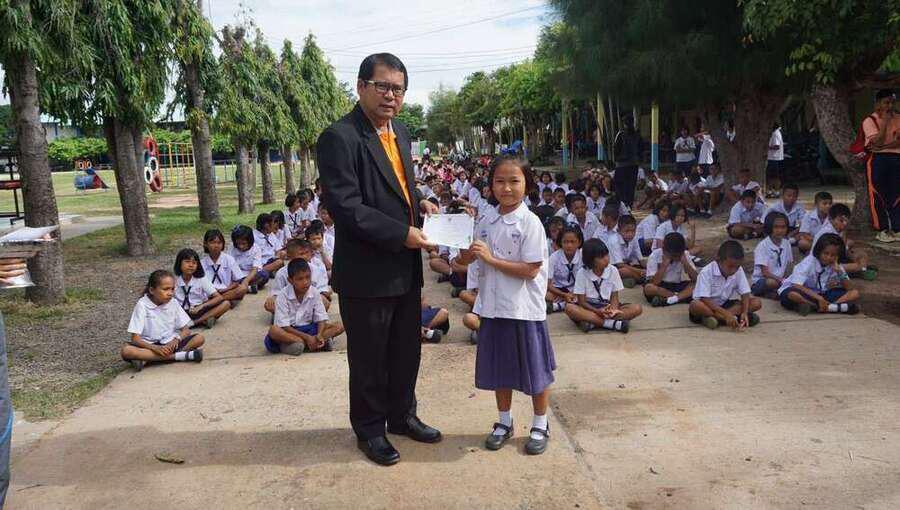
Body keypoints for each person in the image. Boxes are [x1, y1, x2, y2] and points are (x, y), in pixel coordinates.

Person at [317, 53, 441, 466]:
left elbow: (399, 186)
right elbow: (346, 206)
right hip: (367, 271)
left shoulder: (399, 131)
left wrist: (422, 204)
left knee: (406, 351)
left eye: (398, 89)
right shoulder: (340, 137)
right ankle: (370, 430)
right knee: (369, 359)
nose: (391, 96)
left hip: (405, 267)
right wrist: (402, 233)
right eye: (383, 86)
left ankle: (402, 416)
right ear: (361, 87)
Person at [456, 155, 555, 456]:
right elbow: (466, 260)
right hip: (493, 307)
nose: (507, 188)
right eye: (500, 181)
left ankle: (540, 424)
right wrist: (465, 253)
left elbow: (531, 269)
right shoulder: (486, 220)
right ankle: (504, 421)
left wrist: (490, 259)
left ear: (527, 184)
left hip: (524, 309)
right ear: (490, 185)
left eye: (514, 181)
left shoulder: (530, 222)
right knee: (500, 368)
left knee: (535, 370)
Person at [122, 270, 205, 371]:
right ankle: (181, 356)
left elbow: (186, 330)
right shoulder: (142, 305)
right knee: (126, 351)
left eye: (172, 289)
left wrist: (175, 340)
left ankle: (147, 359)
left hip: (170, 343)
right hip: (149, 346)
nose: (170, 293)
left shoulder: (173, 303)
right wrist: (155, 348)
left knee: (199, 338)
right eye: (165, 289)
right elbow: (135, 339)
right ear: (152, 290)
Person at [265, 259, 345, 355]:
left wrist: (319, 334)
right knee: (274, 330)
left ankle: (300, 345)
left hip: (309, 329)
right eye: (300, 279)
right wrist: (307, 338)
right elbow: (284, 326)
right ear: (290, 280)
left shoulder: (314, 292)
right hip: (290, 331)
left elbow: (321, 317)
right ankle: (311, 344)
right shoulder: (283, 295)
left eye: (308, 277)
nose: (305, 282)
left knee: (340, 326)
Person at [564, 238, 643, 333]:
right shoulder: (582, 273)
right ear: (591, 260)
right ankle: (611, 324)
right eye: (601, 257)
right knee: (570, 308)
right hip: (589, 308)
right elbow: (582, 302)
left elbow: (614, 297)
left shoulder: (613, 270)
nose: (606, 259)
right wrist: (597, 311)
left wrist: (613, 310)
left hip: (607, 306)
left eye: (607, 255)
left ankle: (592, 322)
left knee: (637, 308)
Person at [778, 233, 861, 316]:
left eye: (833, 255)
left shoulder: (836, 265)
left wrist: (839, 272)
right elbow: (797, 285)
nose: (828, 257)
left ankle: (826, 307)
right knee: (792, 294)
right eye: (826, 253)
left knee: (854, 293)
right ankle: (831, 307)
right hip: (804, 292)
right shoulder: (809, 262)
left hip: (821, 294)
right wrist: (819, 298)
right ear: (819, 251)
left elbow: (849, 288)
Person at [688, 240, 762, 330]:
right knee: (695, 305)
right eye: (730, 266)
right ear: (718, 260)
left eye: (737, 267)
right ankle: (727, 318)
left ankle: (716, 319)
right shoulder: (706, 272)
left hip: (724, 305)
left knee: (756, 303)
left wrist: (745, 312)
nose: (733, 270)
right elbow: (704, 298)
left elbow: (745, 293)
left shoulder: (739, 270)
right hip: (707, 305)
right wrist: (726, 314)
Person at [863, 89, 900, 242]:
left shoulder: (898, 118)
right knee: (878, 193)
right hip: (878, 159)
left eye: (892, 102)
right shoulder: (869, 121)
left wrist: (883, 146)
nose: (890, 106)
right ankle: (882, 229)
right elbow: (876, 142)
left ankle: (897, 228)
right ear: (878, 104)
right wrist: (884, 122)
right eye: (886, 103)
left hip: (897, 157)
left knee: (897, 193)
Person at [811, 203, 875, 279]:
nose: (845, 223)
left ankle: (861, 269)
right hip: (825, 263)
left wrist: (844, 232)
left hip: (835, 258)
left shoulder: (839, 230)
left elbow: (843, 249)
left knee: (862, 255)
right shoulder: (827, 233)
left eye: (846, 220)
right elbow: (829, 256)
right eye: (841, 220)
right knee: (858, 265)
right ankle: (861, 270)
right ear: (831, 219)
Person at [173, 248, 231, 328]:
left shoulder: (201, 279)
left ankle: (194, 323)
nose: (191, 265)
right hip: (182, 312)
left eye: (194, 263)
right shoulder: (174, 280)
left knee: (226, 304)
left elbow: (219, 297)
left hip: (199, 310)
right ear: (179, 263)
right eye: (187, 262)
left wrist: (201, 306)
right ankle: (205, 320)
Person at [644, 232, 698, 307]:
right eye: (673, 255)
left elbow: (696, 278)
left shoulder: (684, 254)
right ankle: (680, 297)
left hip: (677, 285)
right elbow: (654, 282)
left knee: (697, 285)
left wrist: (685, 263)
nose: (676, 258)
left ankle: (670, 299)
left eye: (678, 255)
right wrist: (664, 265)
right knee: (649, 288)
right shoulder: (654, 255)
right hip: (661, 286)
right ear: (664, 250)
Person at [750, 212, 794, 298]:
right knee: (771, 282)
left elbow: (789, 265)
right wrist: (781, 280)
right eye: (776, 227)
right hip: (762, 281)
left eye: (783, 227)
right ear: (770, 227)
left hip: (780, 280)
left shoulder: (786, 243)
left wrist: (788, 279)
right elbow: (765, 272)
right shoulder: (763, 245)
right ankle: (773, 292)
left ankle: (774, 293)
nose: (780, 231)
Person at [200, 229, 248, 303]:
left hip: (226, 291)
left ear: (223, 244)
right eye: (212, 242)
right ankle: (219, 301)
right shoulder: (201, 263)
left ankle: (215, 301)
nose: (216, 246)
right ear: (205, 244)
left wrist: (226, 289)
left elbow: (237, 281)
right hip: (209, 293)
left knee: (242, 289)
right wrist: (212, 291)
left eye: (219, 243)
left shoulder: (229, 259)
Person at [546, 225, 583, 314]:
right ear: (560, 242)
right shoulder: (554, 257)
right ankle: (569, 302)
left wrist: (576, 292)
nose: (569, 245)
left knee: (587, 296)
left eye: (572, 242)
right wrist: (564, 295)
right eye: (565, 242)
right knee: (547, 296)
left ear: (579, 242)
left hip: (578, 289)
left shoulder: (583, 256)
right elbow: (548, 284)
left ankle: (558, 306)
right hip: (559, 290)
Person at [613, 116, 642, 207]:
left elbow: (616, 149)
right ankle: (628, 206)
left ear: (624, 124)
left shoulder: (620, 134)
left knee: (620, 187)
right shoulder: (637, 135)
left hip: (621, 165)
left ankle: (621, 206)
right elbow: (641, 149)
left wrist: (616, 160)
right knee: (630, 187)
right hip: (634, 164)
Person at [229, 225, 265, 293]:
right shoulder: (232, 247)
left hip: (249, 275)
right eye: (238, 243)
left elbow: (255, 269)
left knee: (264, 275)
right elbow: (229, 266)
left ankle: (240, 287)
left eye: (244, 244)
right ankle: (248, 288)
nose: (241, 246)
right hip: (236, 276)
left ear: (250, 241)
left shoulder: (256, 248)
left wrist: (246, 281)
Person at [766, 122, 785, 198]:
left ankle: (776, 191)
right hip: (772, 158)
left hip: (774, 158)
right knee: (771, 176)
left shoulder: (775, 134)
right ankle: (770, 191)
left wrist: (766, 147)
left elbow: (777, 146)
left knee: (775, 176)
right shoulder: (775, 133)